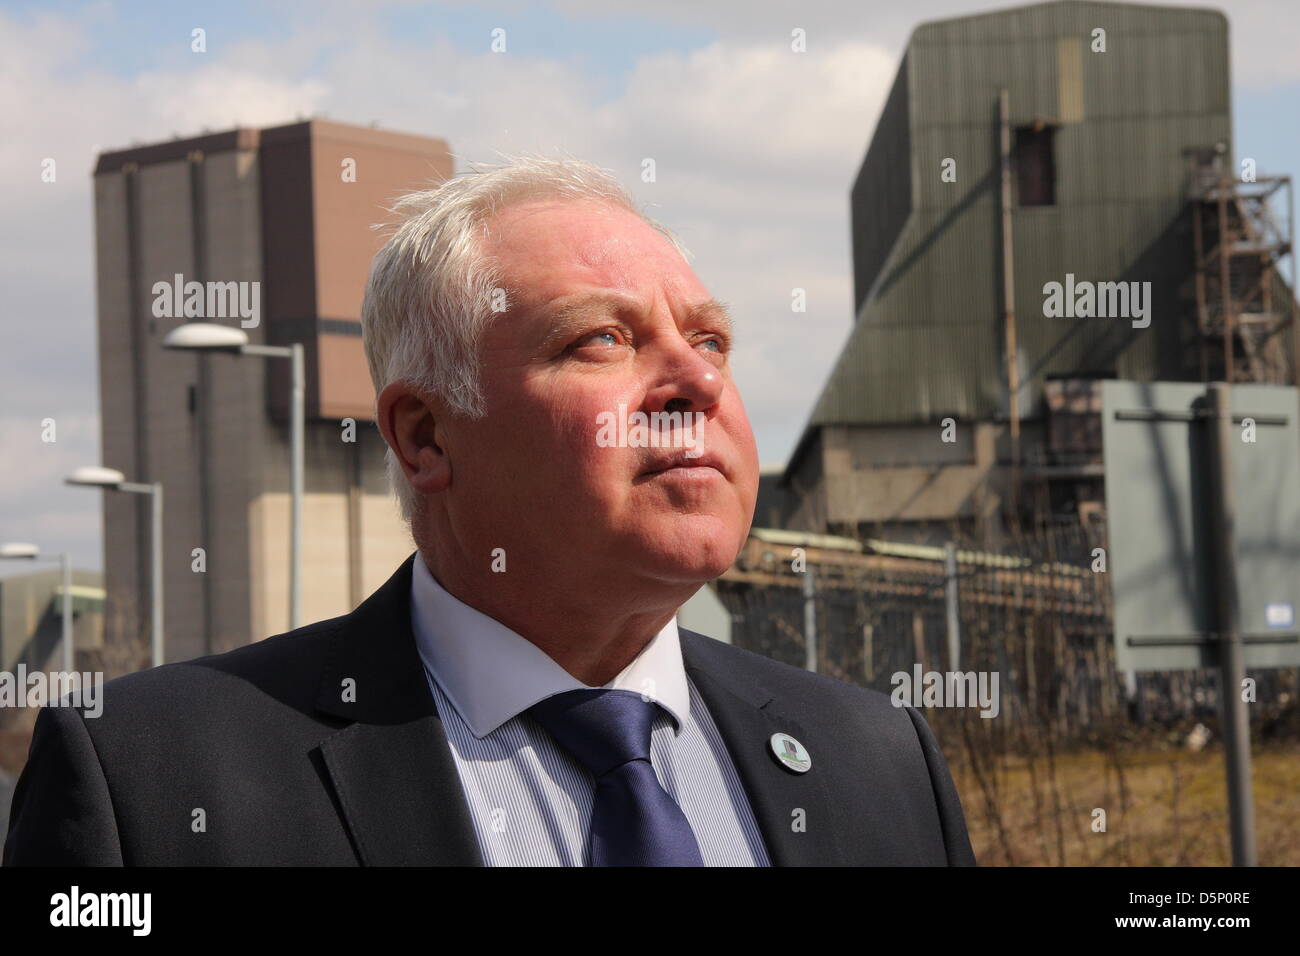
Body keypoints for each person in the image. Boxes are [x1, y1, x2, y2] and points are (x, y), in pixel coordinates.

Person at [4, 157, 975, 866]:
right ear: (426, 434)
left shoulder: (877, 756)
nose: (696, 378)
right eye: (602, 338)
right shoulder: (155, 783)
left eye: (711, 338)